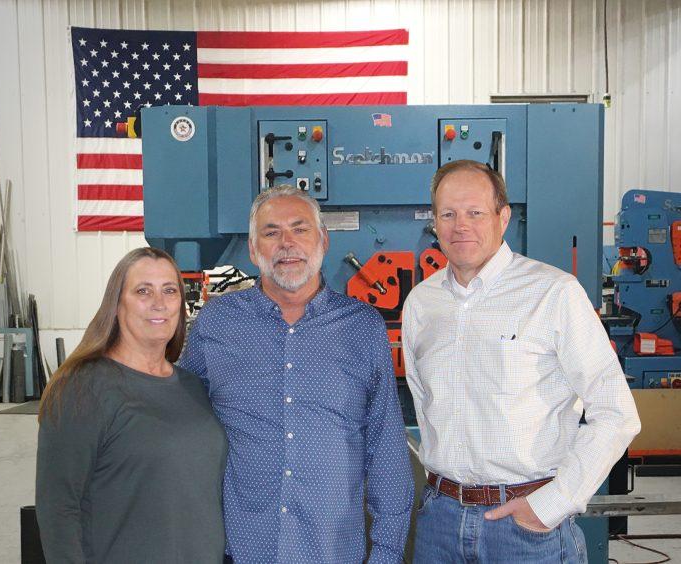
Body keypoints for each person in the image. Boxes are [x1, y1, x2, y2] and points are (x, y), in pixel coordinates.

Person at [402, 160, 641, 563]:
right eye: (448, 214)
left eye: (475, 212)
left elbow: (617, 414)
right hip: (439, 523)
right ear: (435, 222)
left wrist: (552, 504)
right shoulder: (422, 304)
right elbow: (424, 405)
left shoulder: (552, 293)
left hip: (523, 527)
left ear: (503, 217)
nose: (461, 225)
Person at [180, 184, 414, 563]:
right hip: (243, 551)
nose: (287, 243)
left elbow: (385, 448)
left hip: (334, 551)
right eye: (271, 233)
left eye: (299, 229)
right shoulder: (217, 324)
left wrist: (387, 553)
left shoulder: (363, 328)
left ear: (322, 240)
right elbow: (179, 421)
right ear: (254, 250)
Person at [36, 247, 228, 563]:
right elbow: (58, 507)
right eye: (143, 291)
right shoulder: (83, 387)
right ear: (116, 305)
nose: (159, 303)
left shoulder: (192, 387)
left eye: (169, 290)